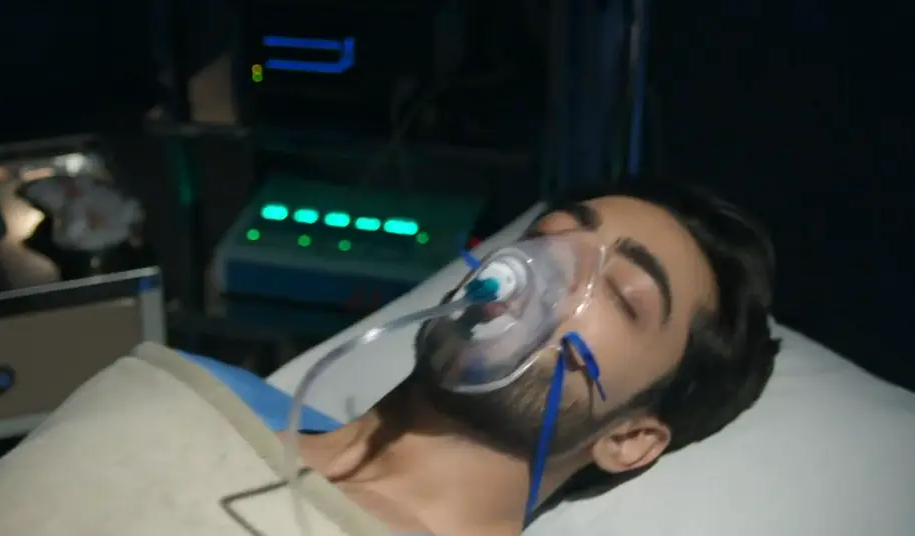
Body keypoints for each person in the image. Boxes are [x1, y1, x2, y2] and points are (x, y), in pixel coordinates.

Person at [290, 178, 780, 536]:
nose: (557, 266)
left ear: (629, 439)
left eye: (622, 295)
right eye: (549, 235)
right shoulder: (253, 408)